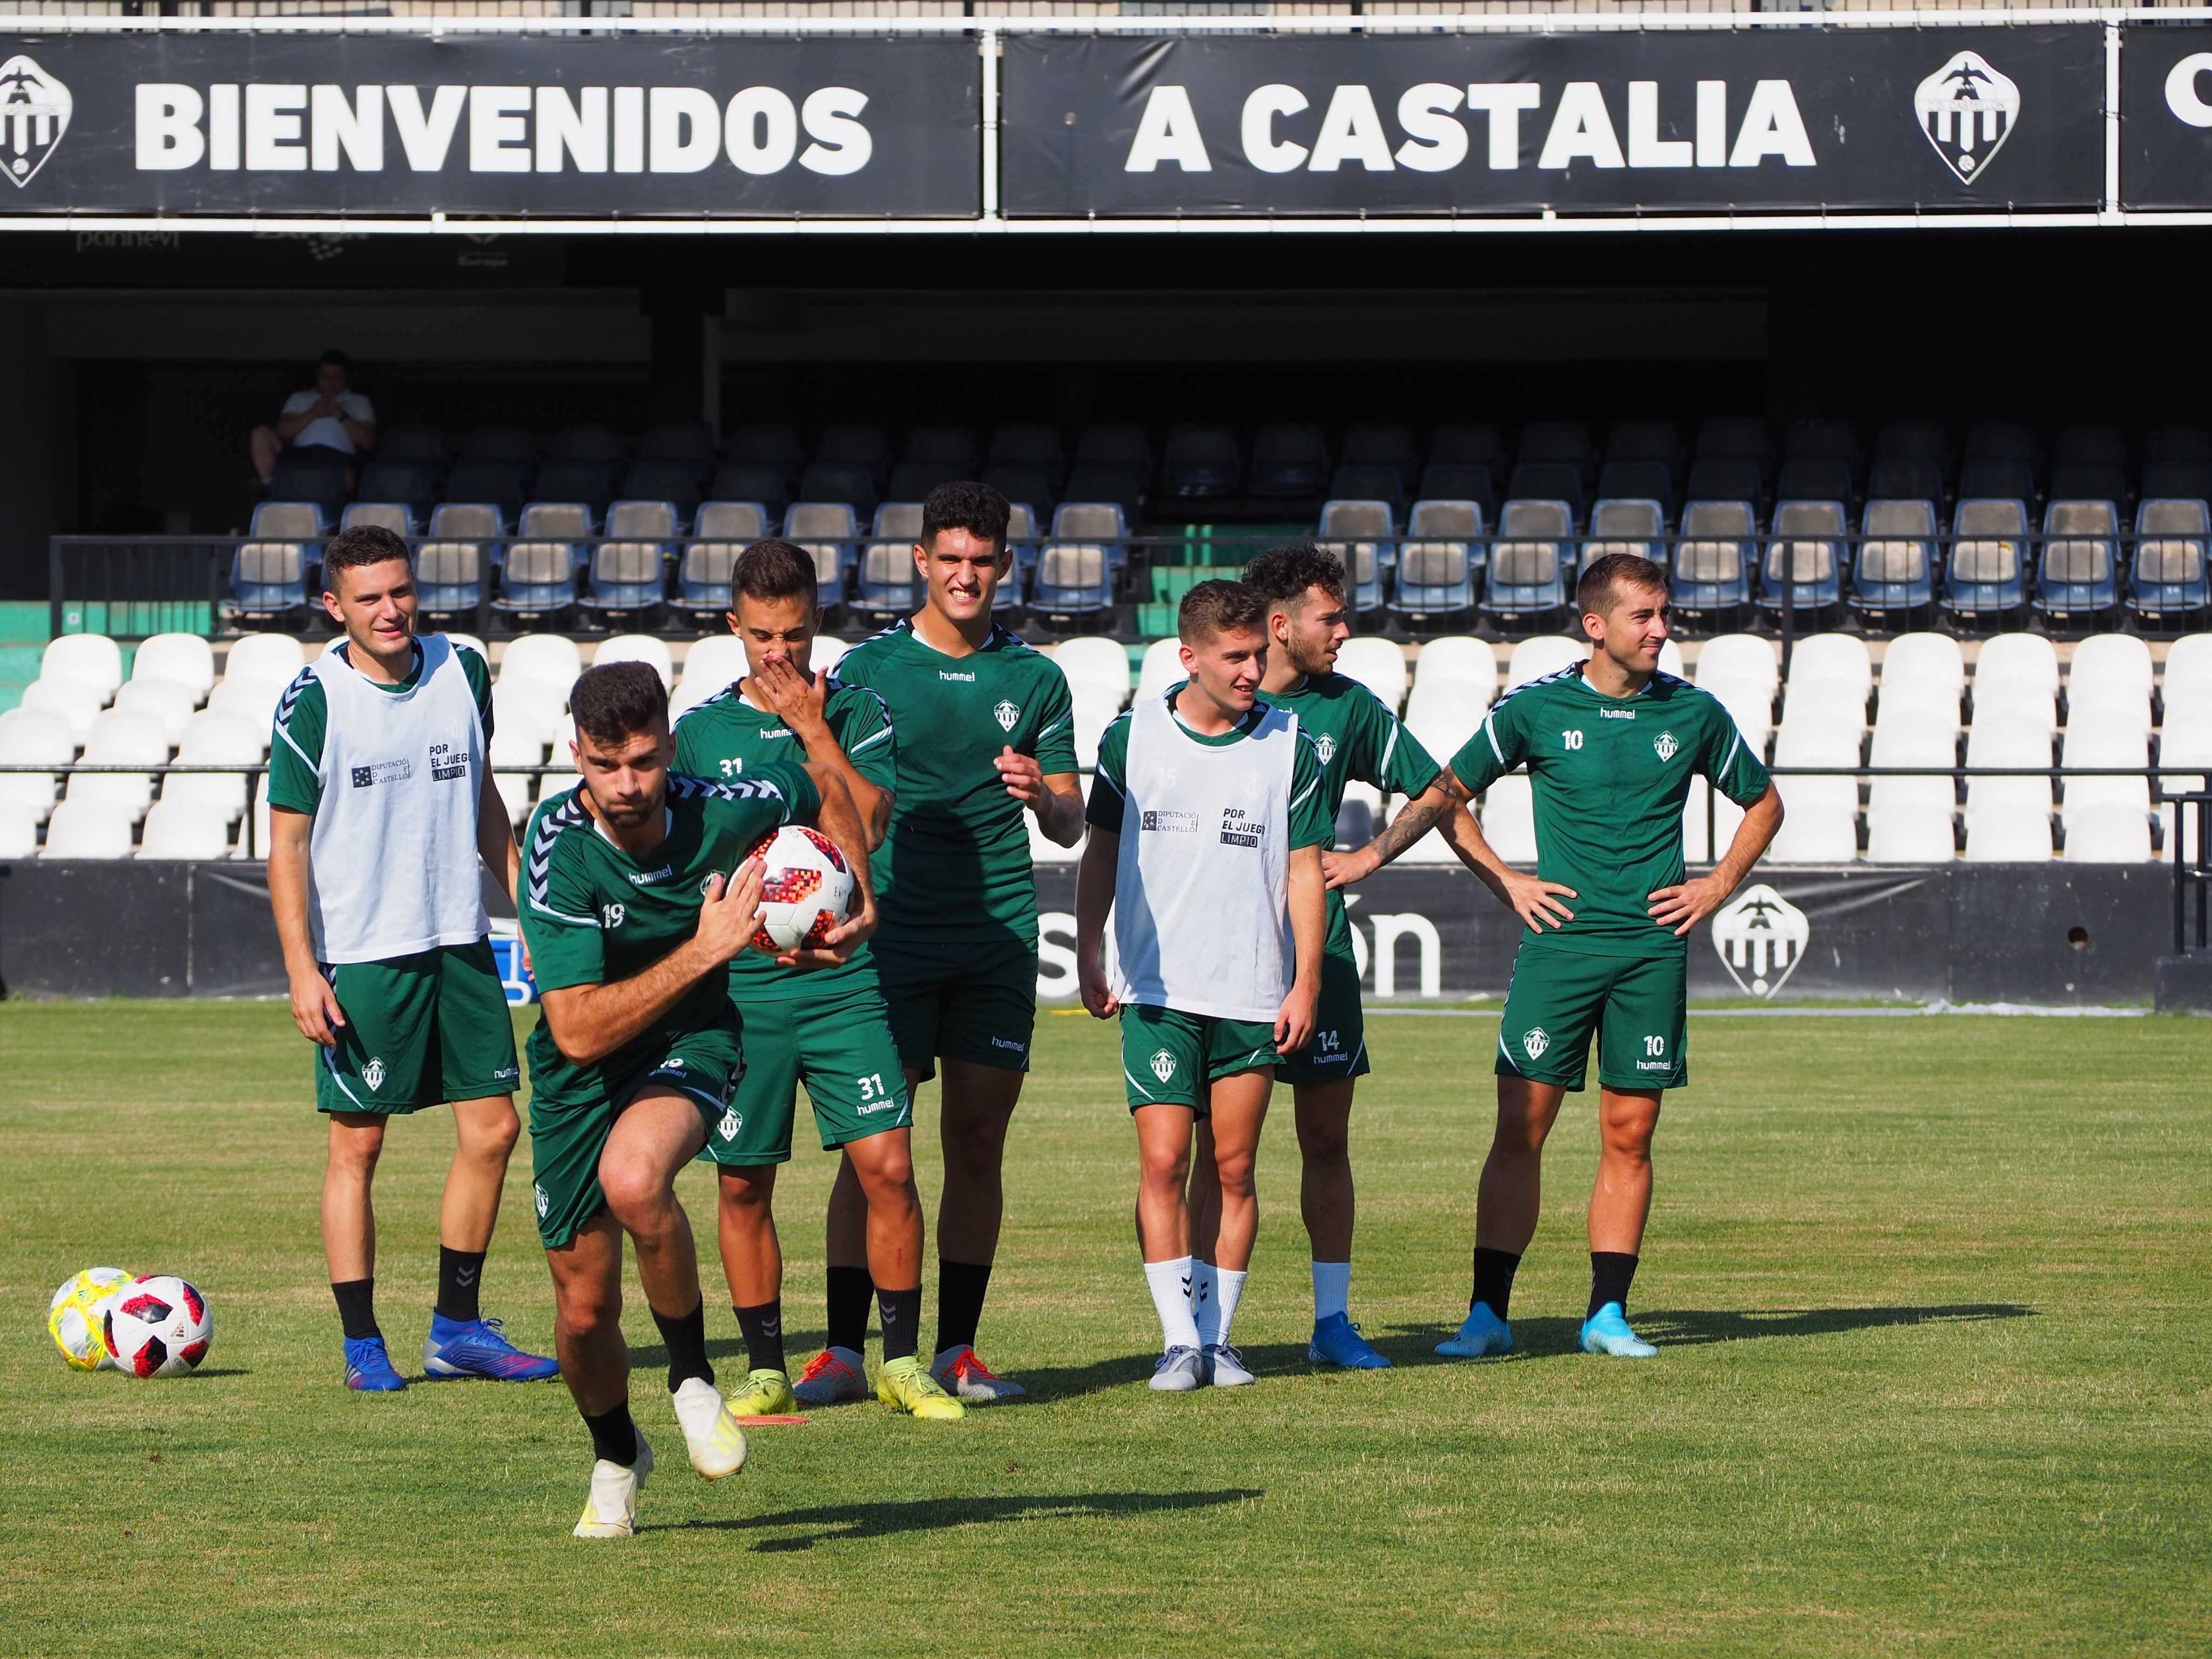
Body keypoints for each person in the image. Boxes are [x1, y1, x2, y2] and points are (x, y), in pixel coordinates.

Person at [517, 660, 876, 1539]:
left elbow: (850, 801)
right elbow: (575, 1032)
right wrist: (708, 947)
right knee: (581, 1310)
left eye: (643, 760)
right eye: (606, 765)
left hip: (692, 1040)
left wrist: (852, 897)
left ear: (671, 747)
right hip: (580, 1069)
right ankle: (616, 1455)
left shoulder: (726, 800)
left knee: (636, 1180)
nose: (628, 784)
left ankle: (691, 1382)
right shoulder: (556, 844)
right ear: (577, 756)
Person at [1434, 552, 1783, 1361]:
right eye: (1645, 617)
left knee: (1630, 1133)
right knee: (1521, 1129)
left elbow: (1764, 803)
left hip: (1651, 952)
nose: (1664, 630)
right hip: (1560, 950)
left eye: (1666, 615)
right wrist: (1507, 883)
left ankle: (1607, 1316)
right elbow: (1446, 797)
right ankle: (1487, 1316)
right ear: (1596, 625)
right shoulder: (1532, 710)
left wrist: (1717, 885)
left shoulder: (1693, 714)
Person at [802, 481, 1084, 1406]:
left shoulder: (1036, 679)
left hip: (998, 931)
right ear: (920, 562)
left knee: (976, 1139)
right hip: (890, 931)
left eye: (983, 560)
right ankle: (844, 1351)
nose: (967, 576)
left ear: (1005, 566)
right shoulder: (866, 670)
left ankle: (958, 1350)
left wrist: (1043, 796)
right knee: (875, 1143)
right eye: (950, 559)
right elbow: (825, 791)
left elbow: (1074, 819)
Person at [671, 539, 962, 1422]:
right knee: (741, 1180)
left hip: (843, 980)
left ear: (816, 625)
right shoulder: (700, 732)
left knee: (889, 1164)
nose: (779, 654)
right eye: (761, 635)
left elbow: (864, 826)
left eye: (794, 634)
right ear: (733, 626)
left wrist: (813, 728)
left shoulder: (859, 711)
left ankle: (902, 1363)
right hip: (745, 989)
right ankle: (765, 1368)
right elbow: (687, 860)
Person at [266, 522, 556, 1392]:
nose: (391, 610)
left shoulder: (463, 668)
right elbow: (286, 847)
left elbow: (484, 800)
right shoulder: (311, 699)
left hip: (460, 943)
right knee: (357, 1147)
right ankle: (363, 1344)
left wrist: (529, 912)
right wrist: (301, 967)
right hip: (364, 957)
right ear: (334, 606)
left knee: (497, 1129)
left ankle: (457, 1329)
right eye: (369, 598)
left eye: (401, 591)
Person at [1073, 580, 1331, 1391]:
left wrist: (1306, 982)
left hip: (1253, 989)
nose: (1254, 669)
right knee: (1162, 1161)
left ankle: (1220, 1340)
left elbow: (1304, 872)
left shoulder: (1292, 742)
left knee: (1235, 1168)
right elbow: (1102, 855)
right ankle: (1178, 1339)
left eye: (1260, 653)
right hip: (1157, 989)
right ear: (1189, 657)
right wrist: (1089, 947)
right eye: (1236, 657)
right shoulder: (1132, 737)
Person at [1215, 542, 1457, 1371]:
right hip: (1227, 959)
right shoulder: (1217, 704)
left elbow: (1436, 787)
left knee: (1325, 1140)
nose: (1345, 631)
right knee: (1224, 1156)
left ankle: (1333, 1322)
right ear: (1280, 626)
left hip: (1322, 956)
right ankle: (1208, 1333)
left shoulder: (1348, 708)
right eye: (1331, 617)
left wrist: (1366, 860)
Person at [251, 349, 376, 483]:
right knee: (260, 434)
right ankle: (271, 489)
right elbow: (282, 431)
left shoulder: (359, 401)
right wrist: (313, 413)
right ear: (318, 377)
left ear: (346, 378)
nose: (331, 383)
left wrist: (342, 416)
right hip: (301, 455)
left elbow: (368, 442)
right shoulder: (300, 397)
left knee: (349, 476)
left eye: (337, 378)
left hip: (339, 459)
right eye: (326, 377)